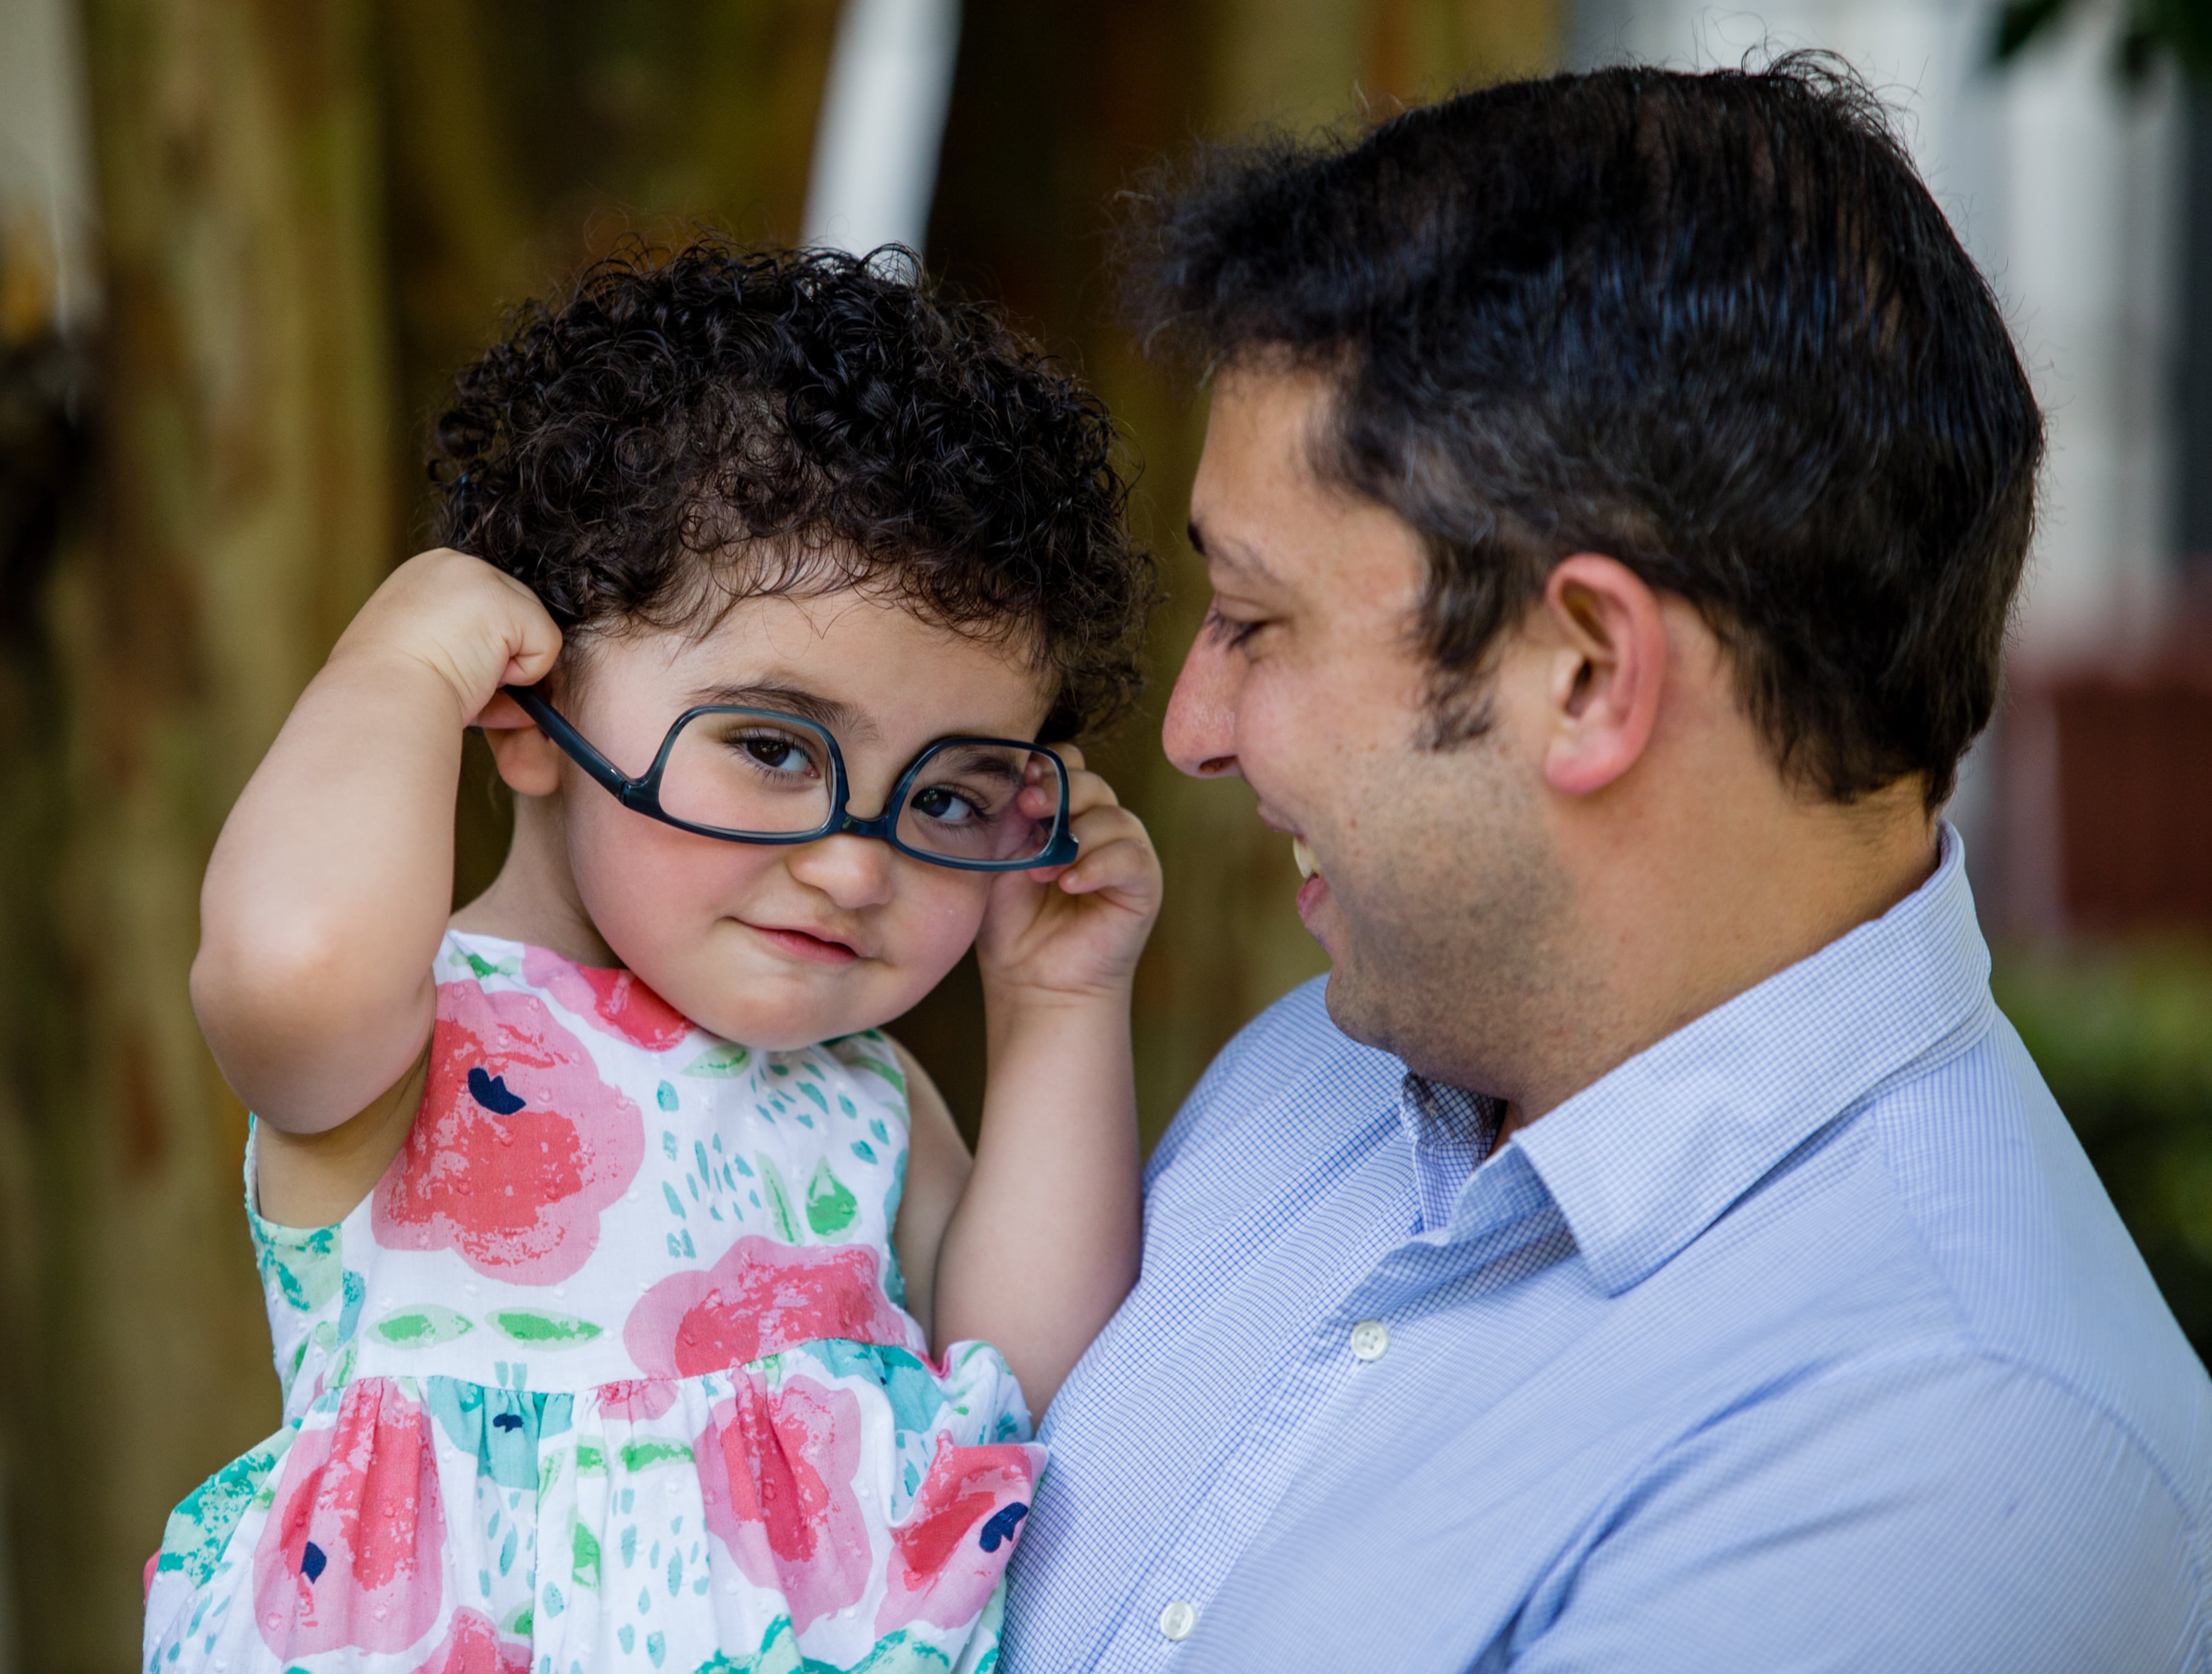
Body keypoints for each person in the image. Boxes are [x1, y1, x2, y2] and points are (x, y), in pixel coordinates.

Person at [1005, 57, 2212, 1672]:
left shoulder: (1953, 1446)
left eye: (1255, 622)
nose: (1196, 732)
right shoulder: (1317, 1067)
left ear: (1586, 674)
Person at [143, 245, 1161, 1674]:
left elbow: (1030, 1387)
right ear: (524, 704)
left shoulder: (859, 1099)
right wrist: (396, 666)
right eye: (770, 745)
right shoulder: (411, 1041)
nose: (857, 862)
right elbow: (286, 968)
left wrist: (1059, 1004)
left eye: (945, 796)